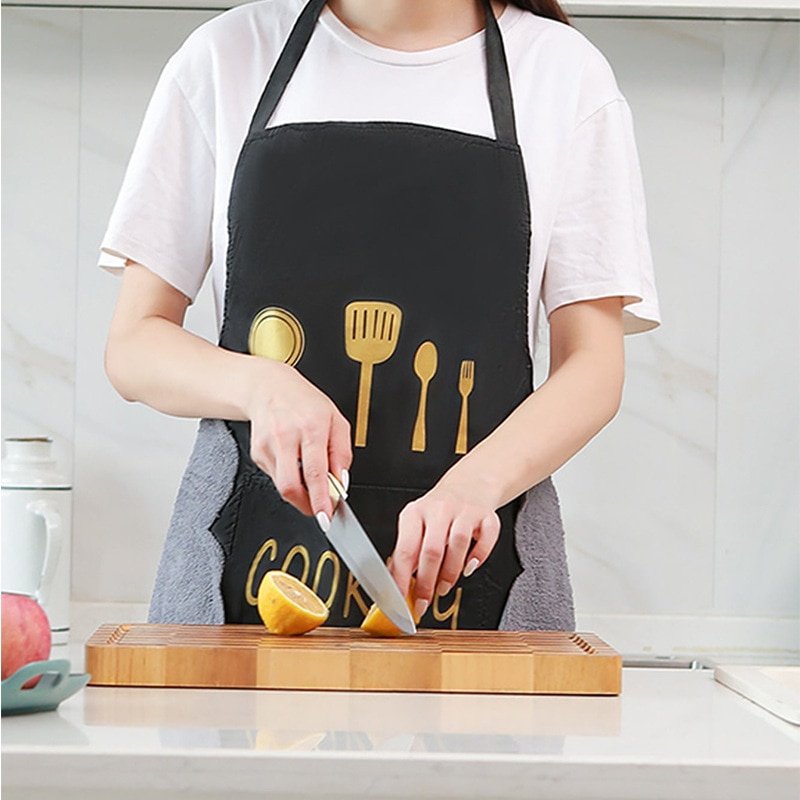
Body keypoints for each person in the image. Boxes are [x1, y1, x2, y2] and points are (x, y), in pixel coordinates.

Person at [100, 0, 660, 631]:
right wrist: (263, 386)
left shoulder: (563, 74)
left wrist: (474, 486)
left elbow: (593, 369)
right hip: (234, 576)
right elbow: (134, 345)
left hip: (481, 576)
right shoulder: (226, 57)